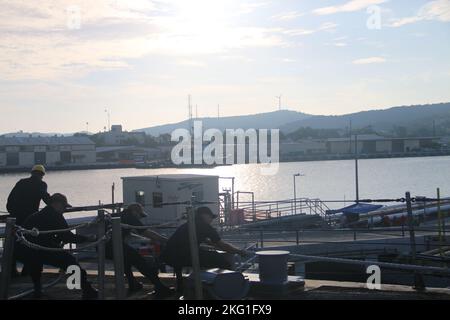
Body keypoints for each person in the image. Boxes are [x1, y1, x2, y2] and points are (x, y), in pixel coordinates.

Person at [14, 193, 98, 299]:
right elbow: (68, 237)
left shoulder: (40, 214)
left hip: (24, 248)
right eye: (64, 207)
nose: (64, 210)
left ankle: (37, 290)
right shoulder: (54, 215)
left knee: (36, 263)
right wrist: (88, 238)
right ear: (57, 204)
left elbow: (52, 234)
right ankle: (87, 289)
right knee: (71, 263)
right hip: (37, 248)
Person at [161, 206, 248, 293]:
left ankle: (181, 287)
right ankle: (226, 288)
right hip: (184, 255)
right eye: (211, 217)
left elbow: (208, 241)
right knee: (221, 260)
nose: (211, 220)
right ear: (204, 215)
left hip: (169, 256)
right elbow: (222, 245)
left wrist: (215, 245)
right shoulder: (205, 227)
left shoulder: (189, 224)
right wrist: (239, 251)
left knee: (203, 255)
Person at [105, 203, 174, 298]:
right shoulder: (130, 217)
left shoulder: (118, 216)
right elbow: (146, 232)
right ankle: (160, 287)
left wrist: (146, 239)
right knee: (140, 262)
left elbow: (128, 234)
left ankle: (133, 284)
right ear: (134, 212)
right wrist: (166, 240)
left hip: (104, 246)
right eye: (140, 215)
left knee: (126, 260)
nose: (140, 218)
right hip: (112, 245)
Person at [7, 165, 51, 277]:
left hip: (15, 219)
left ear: (32, 173)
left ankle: (12, 270)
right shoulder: (41, 184)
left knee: (14, 244)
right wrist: (60, 204)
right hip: (30, 220)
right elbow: (46, 198)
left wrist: (13, 212)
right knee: (30, 244)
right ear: (42, 175)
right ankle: (26, 271)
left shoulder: (21, 182)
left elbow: (10, 199)